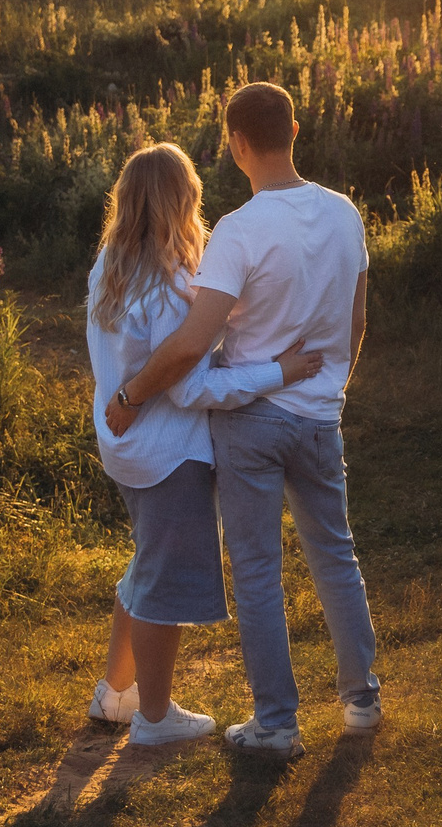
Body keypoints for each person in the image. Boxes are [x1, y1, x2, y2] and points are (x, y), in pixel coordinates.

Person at [106, 82, 378, 758]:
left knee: (259, 572)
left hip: (251, 423)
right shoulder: (345, 213)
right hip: (319, 416)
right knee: (336, 555)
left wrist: (133, 394)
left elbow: (192, 344)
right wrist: (333, 392)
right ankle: (362, 701)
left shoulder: (239, 230)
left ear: (237, 144)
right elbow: (357, 320)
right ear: (295, 131)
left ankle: (277, 725)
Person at [85, 141, 324, 749]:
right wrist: (278, 371)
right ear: (183, 200)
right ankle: (154, 717)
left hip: (124, 444)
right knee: (163, 582)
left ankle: (116, 693)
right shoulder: (169, 288)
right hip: (169, 452)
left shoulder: (110, 264)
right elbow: (190, 388)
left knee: (147, 561)